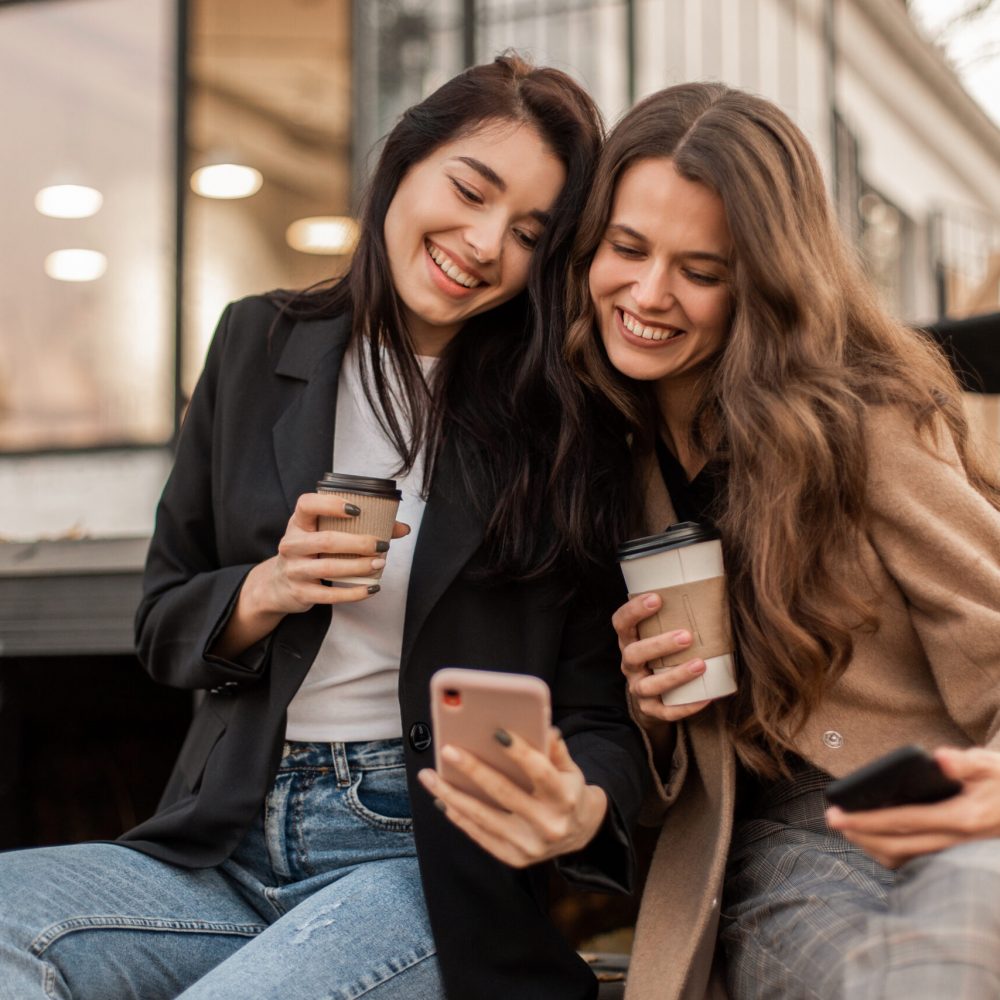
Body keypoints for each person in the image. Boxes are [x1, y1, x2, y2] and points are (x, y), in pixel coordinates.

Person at [0, 55, 646, 1000]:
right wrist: (267, 589)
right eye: (469, 190)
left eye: (527, 235)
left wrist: (576, 802)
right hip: (219, 848)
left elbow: (600, 718)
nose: (481, 242)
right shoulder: (257, 342)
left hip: (420, 863)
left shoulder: (564, 426)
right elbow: (162, 623)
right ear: (405, 163)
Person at [564, 81, 1000, 999]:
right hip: (786, 840)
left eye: (702, 270)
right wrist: (655, 712)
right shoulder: (600, 441)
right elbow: (650, 778)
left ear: (762, 278)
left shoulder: (862, 420)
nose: (648, 294)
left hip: (938, 796)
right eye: (628, 248)